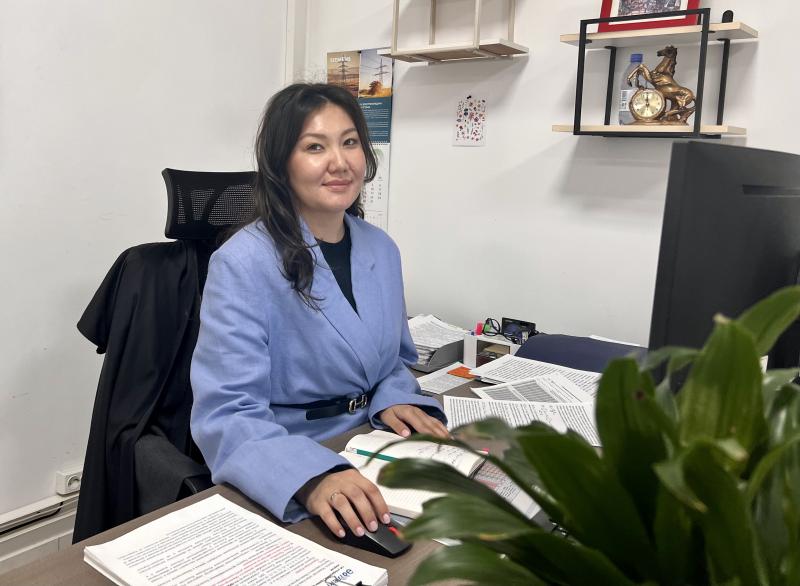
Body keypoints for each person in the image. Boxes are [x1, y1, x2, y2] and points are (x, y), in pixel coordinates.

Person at [190, 82, 449, 540]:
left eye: (350, 142)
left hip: (375, 443)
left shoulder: (381, 248)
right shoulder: (241, 262)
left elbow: (393, 359)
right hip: (292, 458)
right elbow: (228, 412)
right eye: (315, 147)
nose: (339, 162)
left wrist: (395, 397)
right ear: (280, 163)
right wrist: (311, 478)